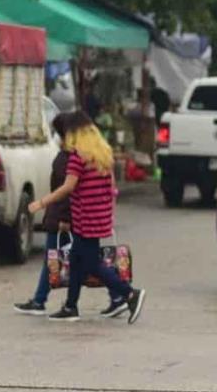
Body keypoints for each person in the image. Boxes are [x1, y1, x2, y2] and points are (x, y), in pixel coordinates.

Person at [27, 113, 145, 323]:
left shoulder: (78, 157)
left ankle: (129, 294)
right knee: (76, 260)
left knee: (92, 264)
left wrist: (42, 203)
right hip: (98, 220)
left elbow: (68, 187)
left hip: (84, 221)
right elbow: (112, 190)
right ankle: (71, 306)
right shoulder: (103, 155)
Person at [13, 112, 107, 316]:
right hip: (66, 217)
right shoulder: (72, 155)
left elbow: (67, 191)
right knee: (70, 260)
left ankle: (120, 295)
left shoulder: (70, 157)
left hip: (64, 218)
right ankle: (55, 302)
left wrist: (63, 218)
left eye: (57, 131)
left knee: (71, 260)